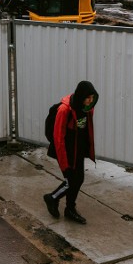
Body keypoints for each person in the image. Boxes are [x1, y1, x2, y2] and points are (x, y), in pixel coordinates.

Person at [43, 80, 98, 224]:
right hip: (66, 153)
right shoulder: (64, 110)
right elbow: (58, 138)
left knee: (78, 179)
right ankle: (52, 198)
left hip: (78, 151)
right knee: (71, 181)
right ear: (80, 97)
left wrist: (88, 149)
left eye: (92, 98)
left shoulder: (87, 108)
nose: (90, 101)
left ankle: (69, 209)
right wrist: (64, 164)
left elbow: (86, 131)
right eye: (88, 98)